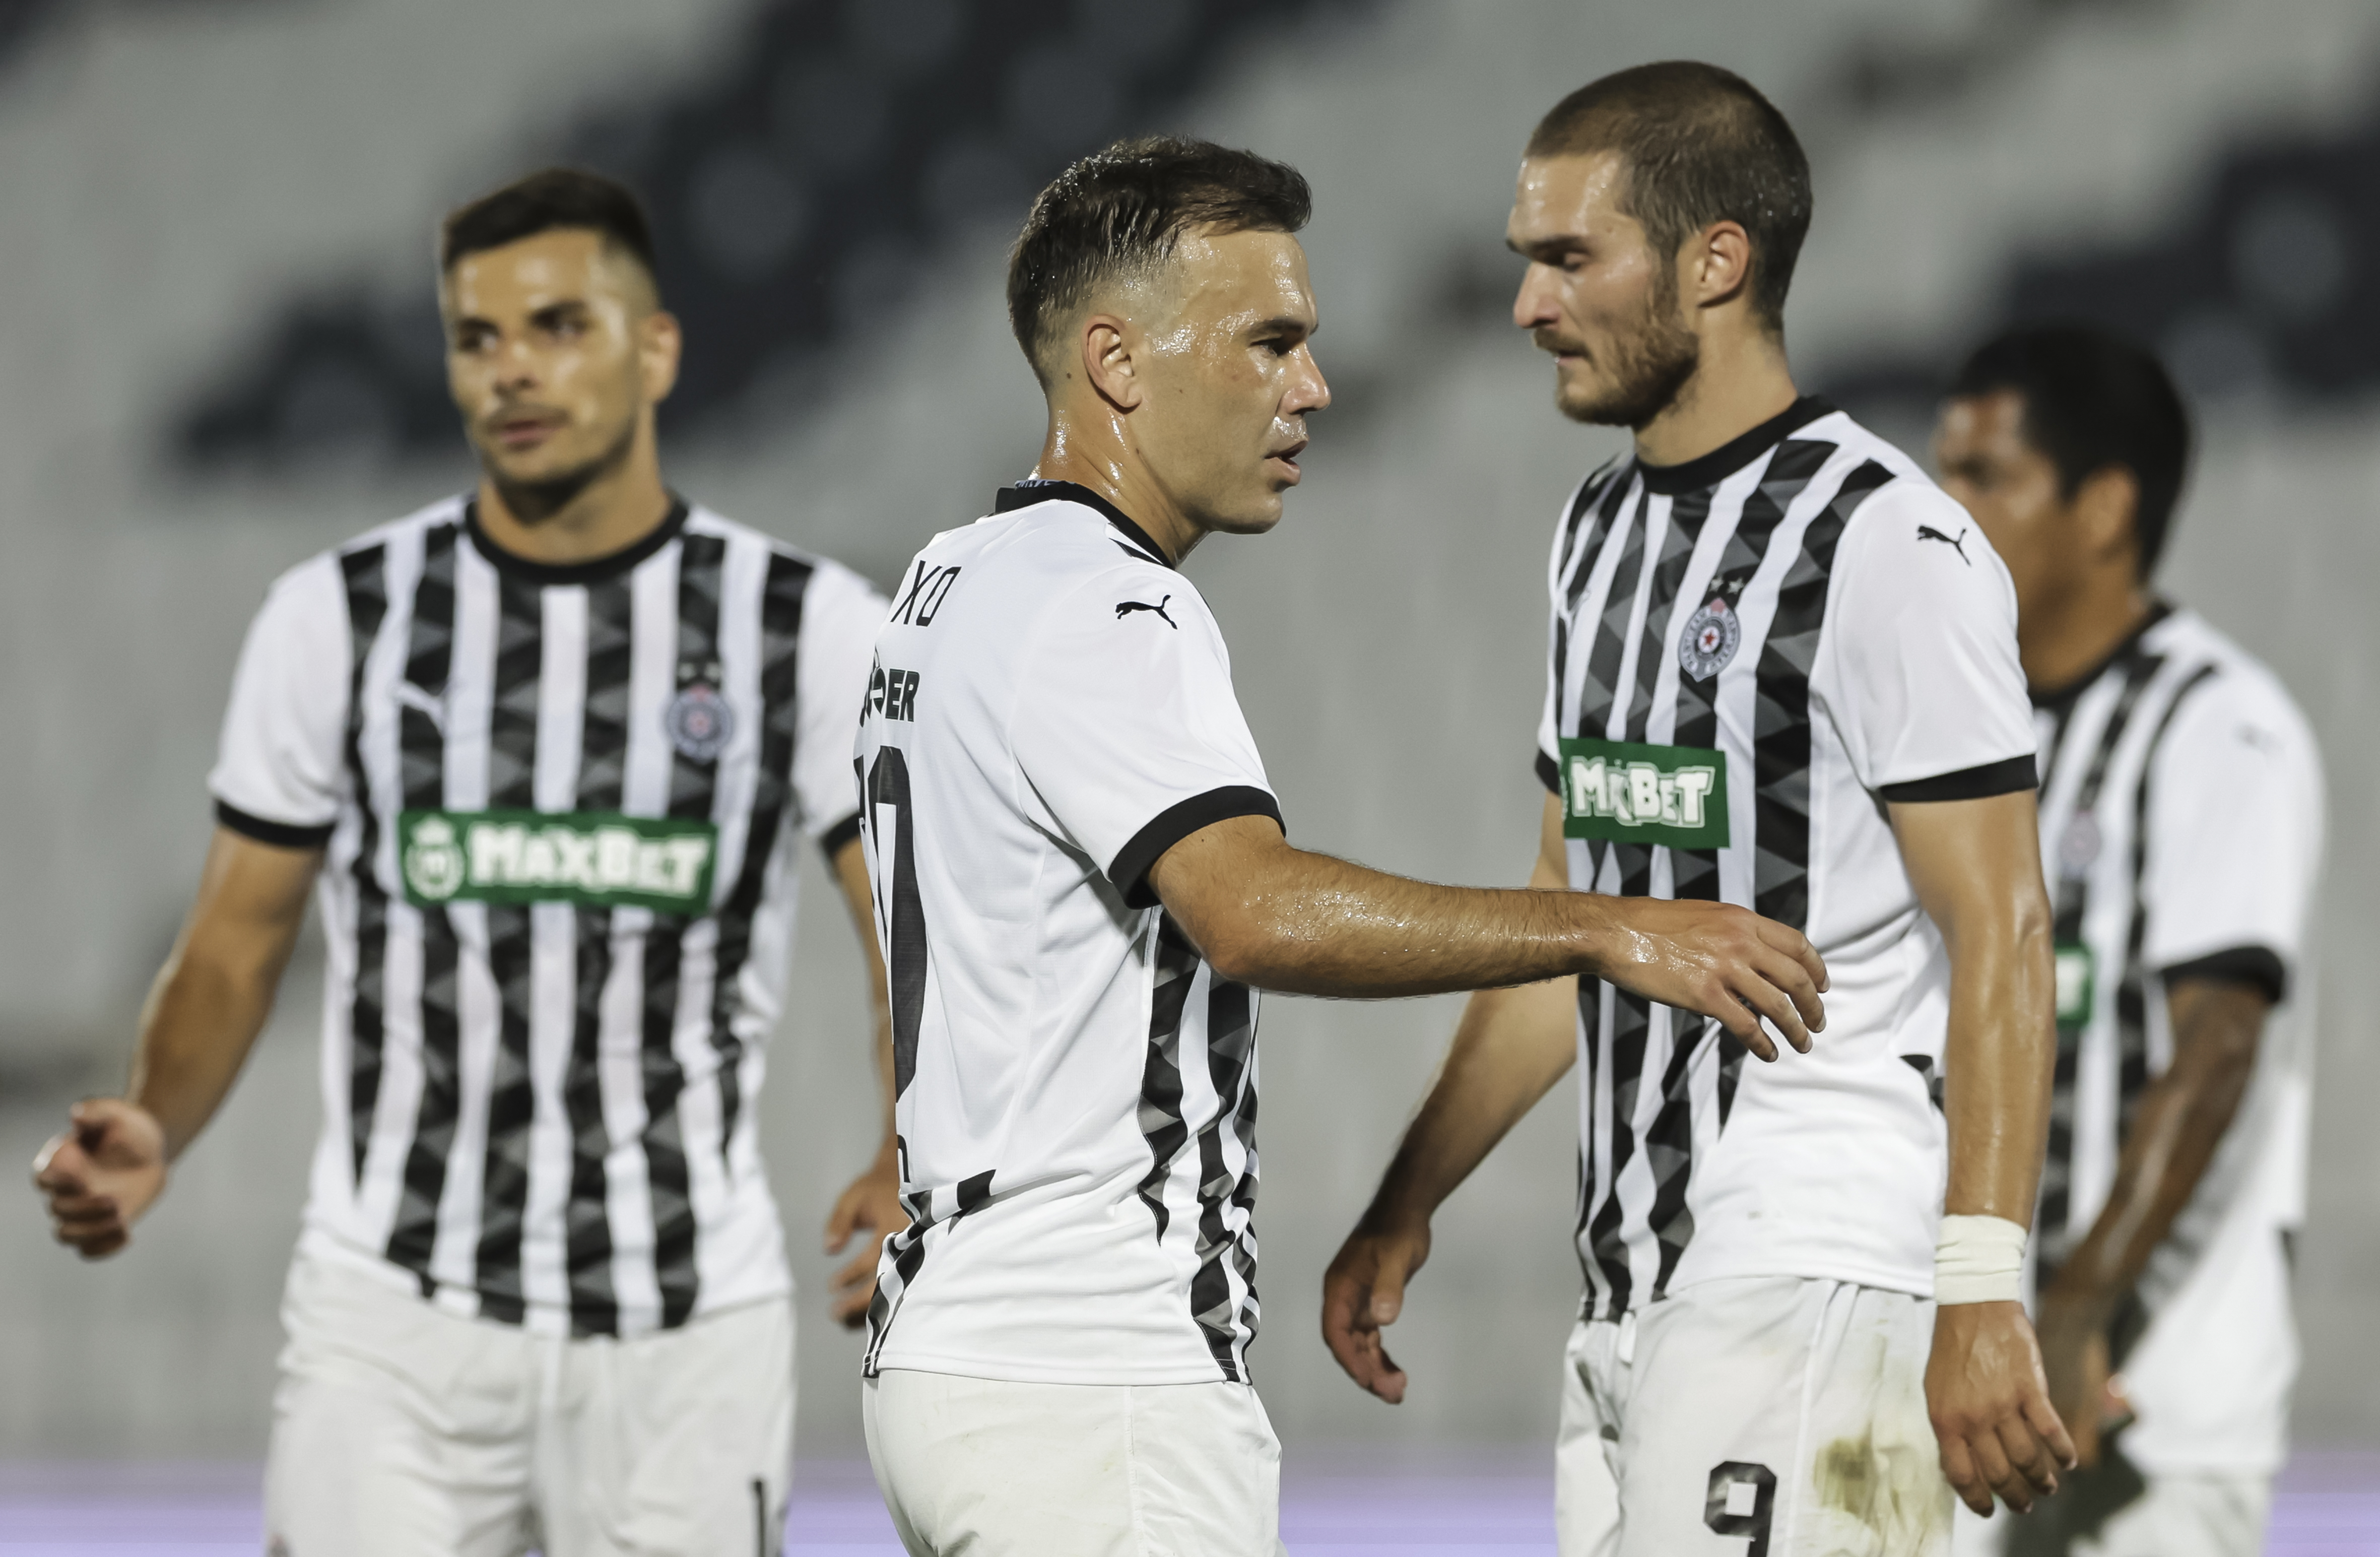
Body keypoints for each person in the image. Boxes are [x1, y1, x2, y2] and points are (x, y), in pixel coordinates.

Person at [850, 133, 1831, 1557]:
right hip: (1091, 1377)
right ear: (1119, 364)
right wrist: (1604, 926)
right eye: (1269, 343)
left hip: (955, 1351)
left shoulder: (951, 579)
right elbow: (1248, 911)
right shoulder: (1108, 606)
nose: (1310, 387)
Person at [30, 168, 901, 1557]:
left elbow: (903, 935)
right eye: (476, 337)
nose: (510, 371)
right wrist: (159, 1122)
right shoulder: (337, 620)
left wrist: (909, 1135)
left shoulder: (803, 628)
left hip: (682, 1335)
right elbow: (235, 938)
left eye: (556, 325)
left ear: (656, 348)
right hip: (393, 1324)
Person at [1319, 62, 2077, 1555]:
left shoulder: (1884, 541)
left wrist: (1981, 1284)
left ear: (1713, 260)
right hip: (1635, 1289)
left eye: (1566, 258)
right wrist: (1411, 1199)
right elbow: (1567, 911)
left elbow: (2004, 922)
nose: (1529, 305)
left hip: (1814, 1264)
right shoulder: (1594, 530)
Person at [1933, 325, 2323, 1557]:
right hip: (1963, 1392)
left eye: (1984, 477)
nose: (1940, 509)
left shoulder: (2217, 729)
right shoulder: (1947, 735)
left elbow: (2212, 1052)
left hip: (2144, 1418)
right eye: (1937, 469)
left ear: (2104, 508)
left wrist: (2073, 1307)